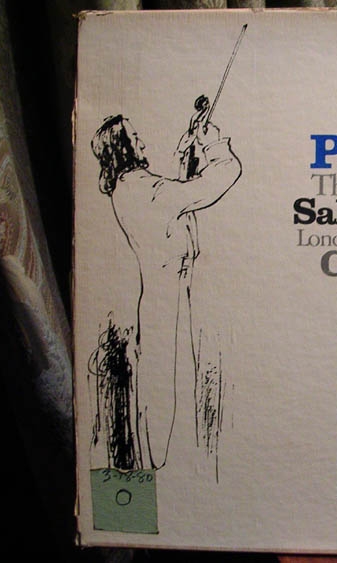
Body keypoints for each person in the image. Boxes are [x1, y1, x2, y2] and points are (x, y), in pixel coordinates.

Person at [91, 114, 242, 469]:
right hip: (167, 292)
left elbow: (174, 204)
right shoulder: (143, 188)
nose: (141, 142)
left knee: (166, 378)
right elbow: (212, 184)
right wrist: (214, 144)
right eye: (135, 137)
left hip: (164, 290)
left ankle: (162, 461)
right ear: (123, 146)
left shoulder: (131, 187)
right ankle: (162, 464)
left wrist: (185, 152)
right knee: (167, 380)